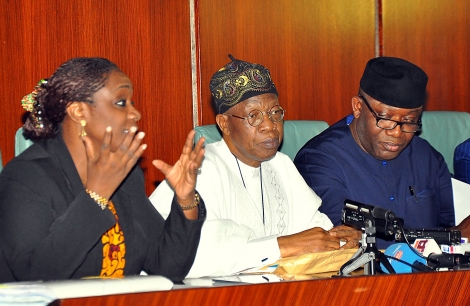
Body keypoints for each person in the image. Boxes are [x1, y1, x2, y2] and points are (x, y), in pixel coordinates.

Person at [0, 57, 206, 303]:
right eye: (121, 102)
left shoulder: (125, 177)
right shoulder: (25, 177)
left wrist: (185, 199)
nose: (135, 113)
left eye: (132, 103)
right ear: (78, 112)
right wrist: (97, 194)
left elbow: (168, 268)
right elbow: (38, 276)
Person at [150, 55, 360, 278]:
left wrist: (343, 239)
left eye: (275, 113)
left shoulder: (282, 165)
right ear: (224, 124)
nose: (270, 126)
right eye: (254, 116)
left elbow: (315, 231)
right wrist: (281, 246)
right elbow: (186, 256)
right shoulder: (201, 171)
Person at [294, 56, 470, 249]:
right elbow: (344, 243)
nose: (396, 132)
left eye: (408, 120)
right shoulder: (318, 161)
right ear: (358, 107)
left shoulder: (427, 157)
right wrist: (448, 237)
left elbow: (454, 227)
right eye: (385, 118)